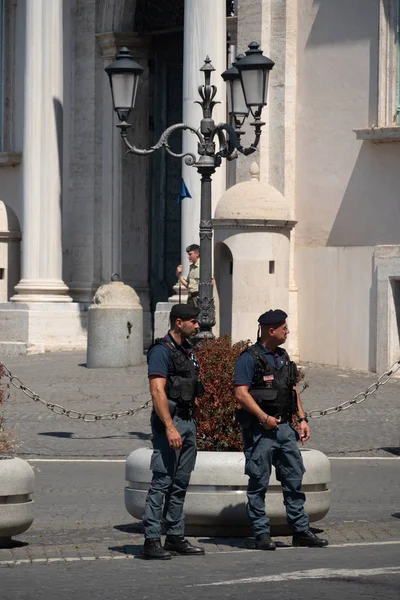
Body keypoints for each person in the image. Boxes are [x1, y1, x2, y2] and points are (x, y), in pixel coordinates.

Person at [234, 309, 329, 550]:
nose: (288, 331)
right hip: (260, 430)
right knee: (258, 483)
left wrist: (302, 419)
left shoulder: (284, 357)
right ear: (270, 330)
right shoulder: (249, 358)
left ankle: (300, 530)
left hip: (285, 428)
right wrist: (263, 417)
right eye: (284, 328)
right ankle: (261, 533)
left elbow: (292, 390)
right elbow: (240, 393)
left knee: (294, 479)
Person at [142, 303, 205, 560]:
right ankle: (151, 540)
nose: (198, 325)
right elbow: (157, 391)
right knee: (162, 482)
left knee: (180, 483)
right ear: (179, 322)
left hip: (188, 422)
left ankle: (176, 537)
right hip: (171, 422)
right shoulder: (161, 351)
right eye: (193, 321)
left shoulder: (188, 350)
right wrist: (169, 427)